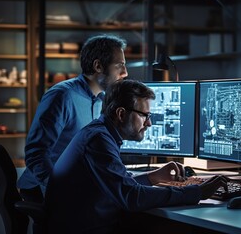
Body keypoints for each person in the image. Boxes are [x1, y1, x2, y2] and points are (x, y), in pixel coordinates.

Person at [44, 79, 228, 233]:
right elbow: (131, 197)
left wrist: (153, 177)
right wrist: (197, 192)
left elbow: (120, 186)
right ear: (121, 114)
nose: (149, 123)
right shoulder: (99, 140)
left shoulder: (100, 133)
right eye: (144, 115)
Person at [17, 34, 129, 202]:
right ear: (98, 66)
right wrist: (59, 189)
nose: (125, 73)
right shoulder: (62, 95)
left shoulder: (102, 100)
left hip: (74, 185)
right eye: (120, 65)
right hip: (45, 189)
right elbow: (36, 153)